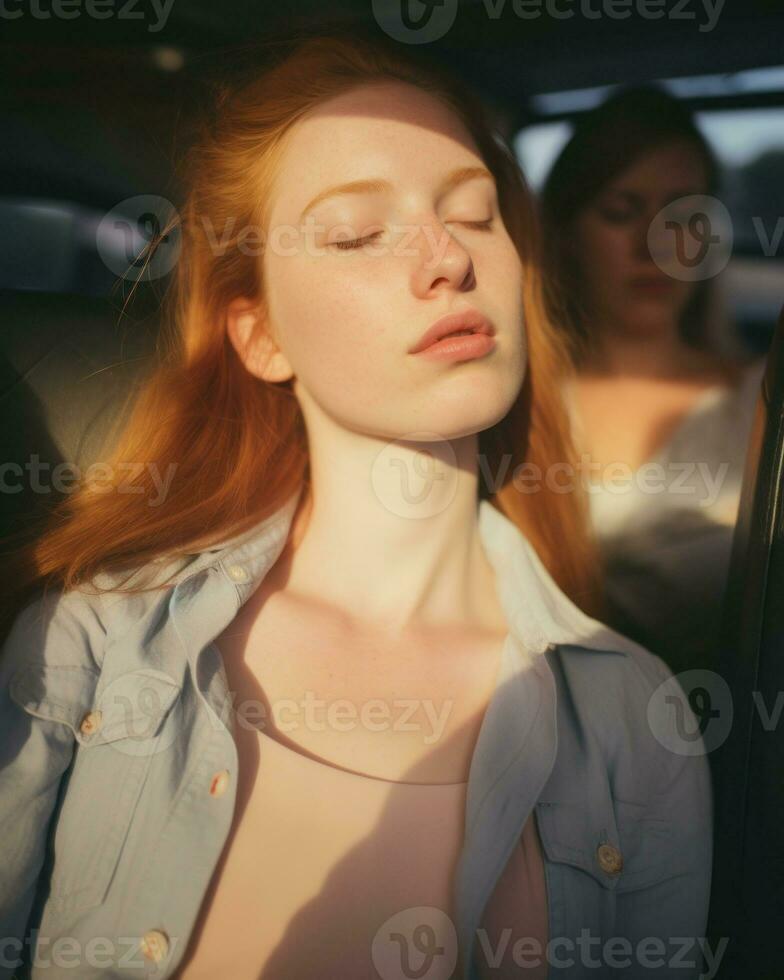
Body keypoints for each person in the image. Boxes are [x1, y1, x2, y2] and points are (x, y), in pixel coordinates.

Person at [0, 35, 713, 980]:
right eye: (355, 234)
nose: (448, 259)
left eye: (474, 213)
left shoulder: (638, 720)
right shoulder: (90, 645)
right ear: (259, 335)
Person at [540, 85, 767, 677]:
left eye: (685, 217)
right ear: (565, 233)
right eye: (620, 212)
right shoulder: (515, 407)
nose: (656, 245)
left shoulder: (768, 405)